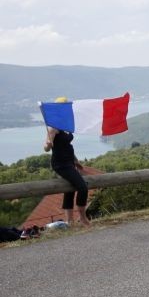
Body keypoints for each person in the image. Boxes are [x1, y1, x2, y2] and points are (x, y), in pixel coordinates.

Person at [43, 97, 91, 227]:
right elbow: (46, 148)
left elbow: (67, 145)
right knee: (82, 187)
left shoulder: (65, 124)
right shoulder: (54, 127)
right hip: (60, 164)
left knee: (70, 189)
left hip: (69, 162)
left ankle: (69, 221)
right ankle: (82, 217)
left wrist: (76, 161)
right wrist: (48, 144)